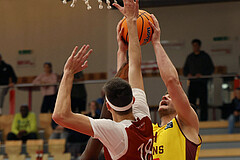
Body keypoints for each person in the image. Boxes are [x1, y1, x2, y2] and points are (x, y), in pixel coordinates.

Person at [53, 0, 153, 159]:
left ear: (108, 106)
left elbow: (60, 116)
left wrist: (67, 73)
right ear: (133, 99)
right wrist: (131, 26)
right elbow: (134, 66)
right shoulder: (143, 116)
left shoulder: (115, 132)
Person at [148, 14, 202, 160]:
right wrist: (123, 48)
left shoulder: (185, 123)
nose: (164, 96)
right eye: (165, 95)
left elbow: (172, 81)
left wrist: (156, 43)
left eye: (170, 96)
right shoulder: (149, 130)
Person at [183, 39, 214, 121]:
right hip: (193, 83)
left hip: (202, 82)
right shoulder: (190, 57)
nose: (195, 47)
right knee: (191, 103)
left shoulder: (205, 56)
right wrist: (188, 74)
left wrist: (202, 75)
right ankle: (192, 120)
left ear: (199, 46)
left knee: (203, 102)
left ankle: (204, 120)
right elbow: (185, 70)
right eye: (193, 46)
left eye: (196, 45)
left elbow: (211, 69)